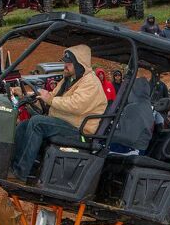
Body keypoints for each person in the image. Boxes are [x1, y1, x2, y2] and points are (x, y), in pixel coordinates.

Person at [12, 45, 107, 181]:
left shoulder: (91, 83)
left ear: (79, 64)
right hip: (65, 123)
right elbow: (50, 97)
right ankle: (18, 167)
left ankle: (20, 173)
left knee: (37, 122)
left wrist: (49, 99)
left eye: (69, 63)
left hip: (79, 131)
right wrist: (25, 94)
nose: (65, 66)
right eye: (65, 62)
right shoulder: (69, 80)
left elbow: (76, 105)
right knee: (24, 125)